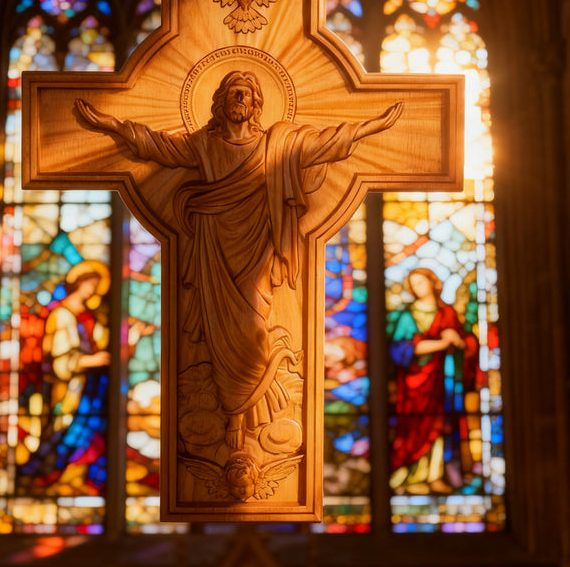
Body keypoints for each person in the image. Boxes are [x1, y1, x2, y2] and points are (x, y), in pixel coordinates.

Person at [76, 70, 402, 449]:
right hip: (213, 249)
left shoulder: (277, 144)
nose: (241, 101)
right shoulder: (203, 145)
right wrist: (111, 124)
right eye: (234, 94)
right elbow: (156, 146)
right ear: (220, 101)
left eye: (247, 94)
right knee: (219, 335)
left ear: (257, 103)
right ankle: (234, 418)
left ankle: (248, 409)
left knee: (252, 327)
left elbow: (323, 145)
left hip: (256, 250)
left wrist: (369, 128)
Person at [18, 260, 111, 493]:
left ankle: (74, 475)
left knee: (85, 432)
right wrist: (93, 361)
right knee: (61, 429)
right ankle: (41, 474)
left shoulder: (87, 316)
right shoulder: (62, 314)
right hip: (67, 388)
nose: (92, 290)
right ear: (77, 283)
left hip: (88, 388)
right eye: (89, 284)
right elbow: (60, 359)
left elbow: (101, 344)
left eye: (95, 285)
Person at [387, 267, 477, 494]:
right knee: (417, 428)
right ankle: (413, 475)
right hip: (415, 385)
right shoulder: (407, 315)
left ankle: (436, 475)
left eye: (421, 282)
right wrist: (442, 343)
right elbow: (399, 350)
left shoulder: (447, 313)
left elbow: (466, 345)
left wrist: (460, 343)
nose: (417, 287)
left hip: (444, 382)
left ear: (432, 282)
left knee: (442, 426)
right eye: (413, 284)